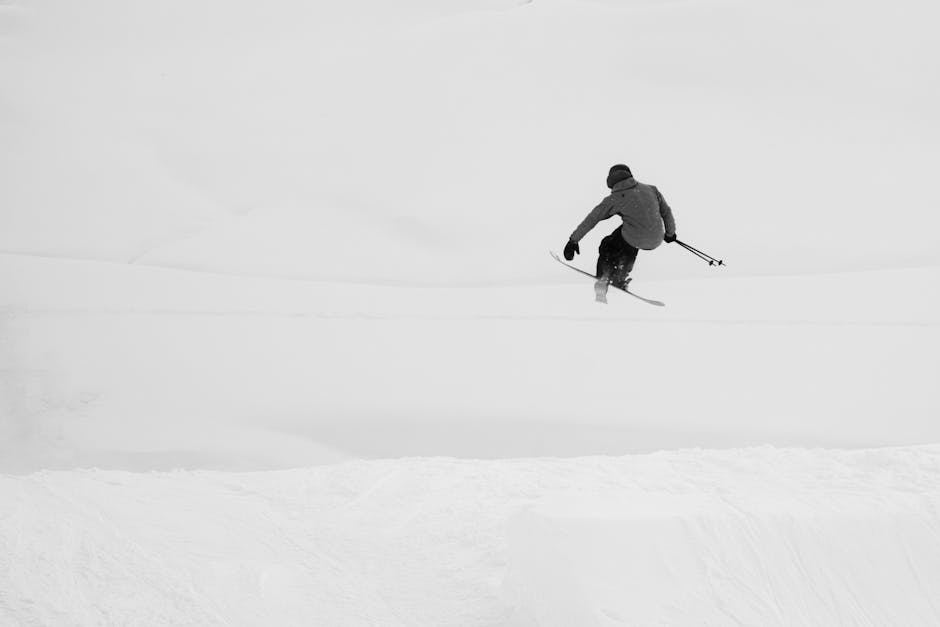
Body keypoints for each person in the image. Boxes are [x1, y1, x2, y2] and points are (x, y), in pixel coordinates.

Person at [563, 164, 677, 302]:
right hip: (657, 237)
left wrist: (573, 240)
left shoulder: (615, 198)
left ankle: (603, 278)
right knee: (630, 237)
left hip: (635, 236)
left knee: (608, 245)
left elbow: (592, 218)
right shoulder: (651, 189)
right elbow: (666, 212)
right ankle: (621, 274)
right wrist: (670, 233)